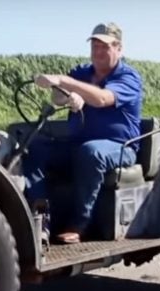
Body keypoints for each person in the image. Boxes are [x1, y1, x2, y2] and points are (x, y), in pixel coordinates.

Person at [24, 22, 143, 244]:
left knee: (91, 153)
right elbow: (57, 97)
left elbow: (102, 98)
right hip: (77, 142)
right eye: (95, 46)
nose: (98, 52)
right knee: (35, 147)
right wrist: (68, 97)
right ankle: (40, 217)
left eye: (105, 47)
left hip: (120, 146)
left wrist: (66, 81)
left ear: (119, 48)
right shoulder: (82, 72)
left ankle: (80, 224)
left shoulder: (128, 77)